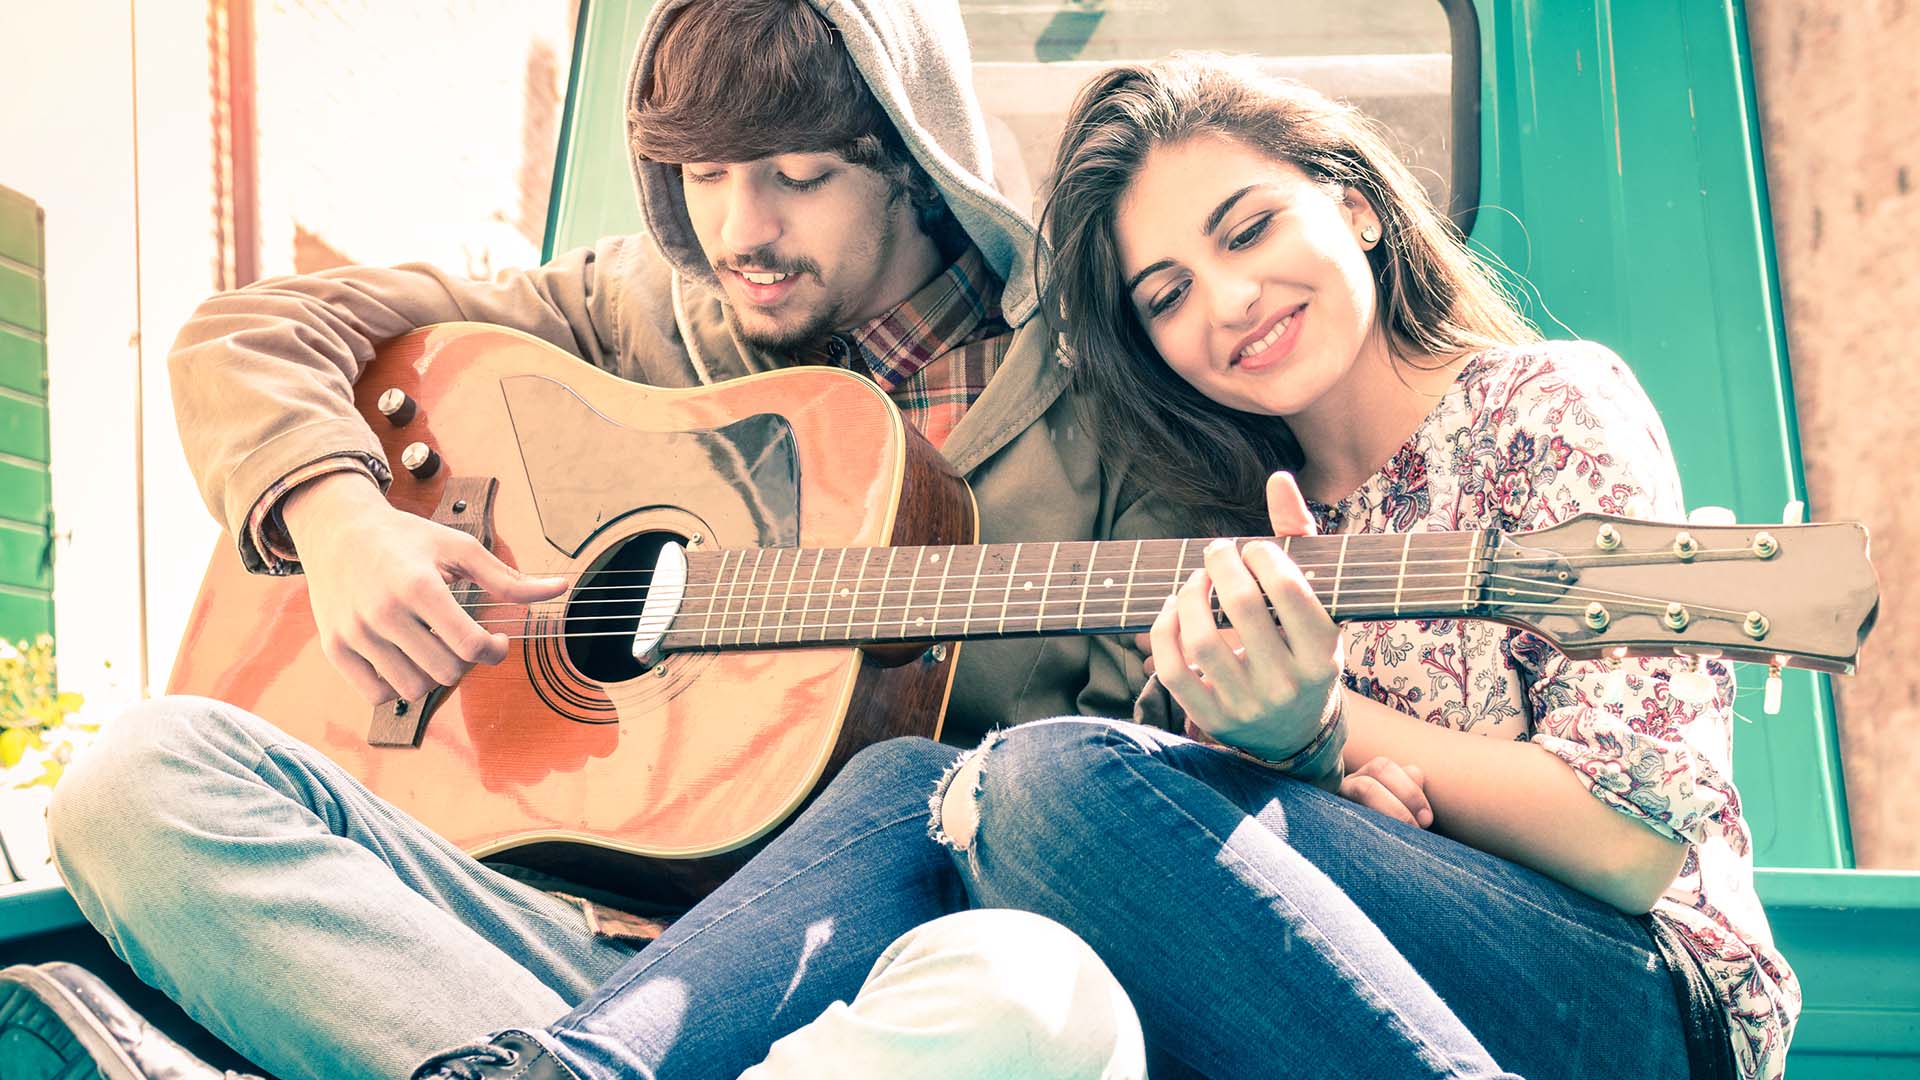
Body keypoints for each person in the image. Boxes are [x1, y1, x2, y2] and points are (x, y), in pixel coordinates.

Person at [315, 52, 1792, 1080]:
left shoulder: (1543, 402)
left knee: (1036, 781)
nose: (1230, 303)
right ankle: (573, 1070)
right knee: (911, 784)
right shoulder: (1218, 507)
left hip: (1631, 1004)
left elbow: (1637, 843)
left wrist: (1334, 737)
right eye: (1165, 293)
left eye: (1248, 228)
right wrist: (1331, 796)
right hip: (1375, 989)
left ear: (1350, 199)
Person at [28, 2, 1163, 1078]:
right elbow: (253, 332)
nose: (739, 230)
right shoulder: (632, 312)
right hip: (516, 944)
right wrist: (341, 520)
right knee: (136, 777)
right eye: (704, 176)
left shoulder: (1109, 407)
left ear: (918, 159)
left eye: (799, 177)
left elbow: (1120, 793)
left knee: (1027, 996)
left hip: (848, 990)